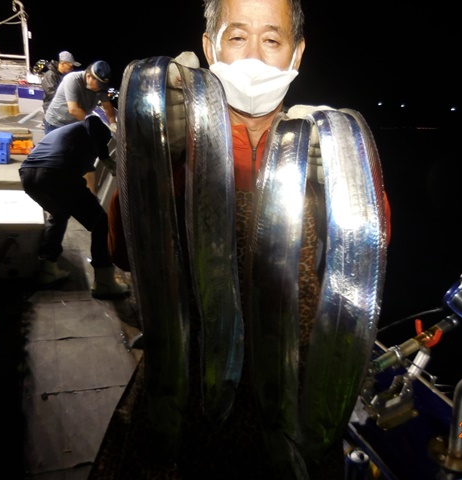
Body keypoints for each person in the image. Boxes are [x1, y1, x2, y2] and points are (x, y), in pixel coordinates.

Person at [101, 0, 390, 477]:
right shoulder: (176, 138)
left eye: (272, 39)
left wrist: (346, 174)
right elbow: (124, 253)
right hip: (189, 375)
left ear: (296, 54)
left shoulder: (325, 143)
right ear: (209, 46)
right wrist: (157, 155)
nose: (254, 54)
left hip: (298, 381)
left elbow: (369, 258)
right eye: (237, 37)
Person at [19, 115, 129, 299]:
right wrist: (106, 158)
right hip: (55, 172)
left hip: (28, 175)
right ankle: (104, 282)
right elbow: (92, 120)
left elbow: (83, 177)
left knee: (59, 213)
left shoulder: (71, 139)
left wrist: (90, 200)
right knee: (101, 223)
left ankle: (48, 269)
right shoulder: (94, 127)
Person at [44, 60, 117, 135]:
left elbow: (107, 107)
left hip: (75, 124)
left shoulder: (101, 87)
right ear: (88, 76)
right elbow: (73, 110)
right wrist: (95, 126)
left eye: (103, 85)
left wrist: (113, 123)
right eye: (99, 84)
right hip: (56, 123)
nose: (100, 88)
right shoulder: (73, 79)